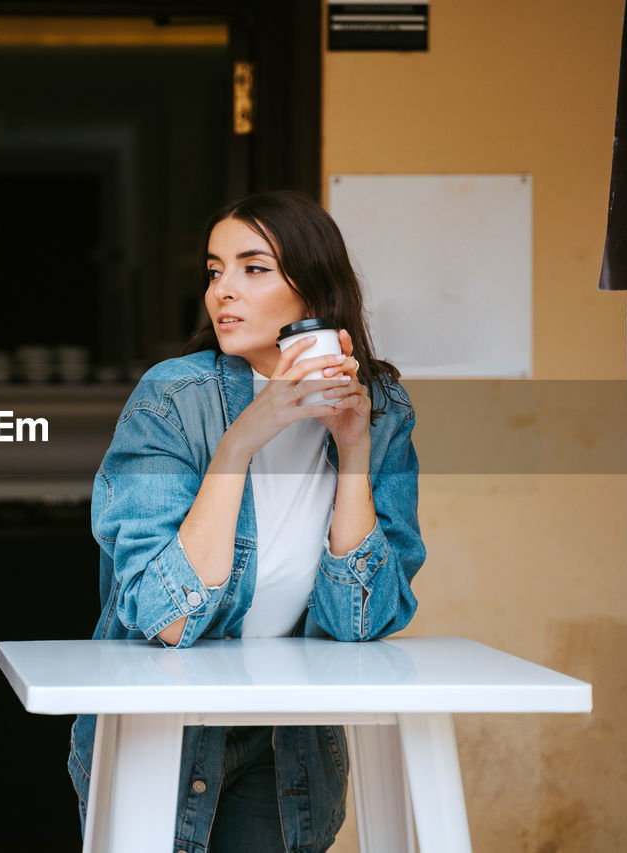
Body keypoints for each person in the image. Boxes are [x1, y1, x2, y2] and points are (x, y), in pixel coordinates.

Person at [67, 189, 425, 852]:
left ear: (314, 294)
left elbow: (361, 622)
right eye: (214, 270)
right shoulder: (175, 398)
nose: (222, 290)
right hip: (162, 732)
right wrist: (241, 440)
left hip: (288, 741)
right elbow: (167, 616)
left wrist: (353, 449)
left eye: (252, 268)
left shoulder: (381, 408)